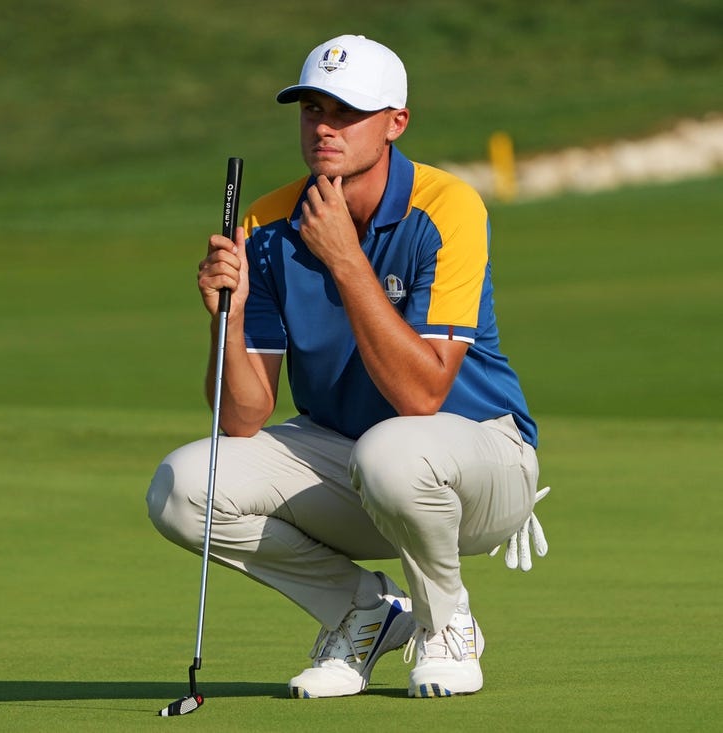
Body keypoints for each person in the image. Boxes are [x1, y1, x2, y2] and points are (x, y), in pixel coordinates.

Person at [147, 34, 550, 699]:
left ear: (396, 123)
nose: (324, 127)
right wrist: (228, 316)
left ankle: (445, 624)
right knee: (185, 484)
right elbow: (243, 416)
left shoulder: (447, 208)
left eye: (346, 111)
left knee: (394, 448)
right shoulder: (268, 221)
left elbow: (422, 395)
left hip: (482, 461)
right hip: (356, 463)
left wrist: (345, 259)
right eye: (312, 109)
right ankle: (361, 610)